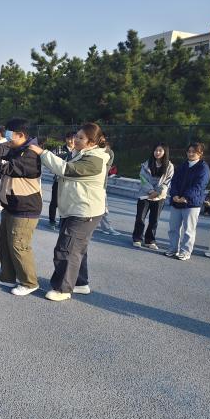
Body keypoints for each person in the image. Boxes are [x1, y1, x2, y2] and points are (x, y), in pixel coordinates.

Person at [29, 123, 110, 301]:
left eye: (81, 138)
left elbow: (67, 170)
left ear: (92, 142)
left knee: (66, 249)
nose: (76, 140)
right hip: (75, 209)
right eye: (76, 136)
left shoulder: (95, 159)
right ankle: (80, 283)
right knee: (77, 248)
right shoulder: (82, 153)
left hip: (85, 211)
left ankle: (63, 289)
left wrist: (43, 153)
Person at [0, 118, 42, 296]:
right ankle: (7, 276)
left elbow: (7, 167)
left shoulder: (30, 153)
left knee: (19, 245)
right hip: (11, 205)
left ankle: (29, 282)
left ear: (21, 135)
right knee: (5, 243)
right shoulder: (16, 149)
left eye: (10, 134)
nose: (8, 137)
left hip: (25, 207)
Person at [165, 142, 210, 261]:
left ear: (200, 153)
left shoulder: (203, 168)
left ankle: (185, 252)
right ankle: (173, 249)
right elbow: (174, 181)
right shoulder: (183, 165)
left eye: (194, 152)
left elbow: (199, 185)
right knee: (173, 228)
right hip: (176, 201)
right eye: (189, 151)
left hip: (191, 204)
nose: (190, 154)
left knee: (189, 230)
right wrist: (174, 194)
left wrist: (185, 197)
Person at [132, 143, 174, 249]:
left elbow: (167, 181)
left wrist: (157, 192)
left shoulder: (169, 166)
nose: (157, 152)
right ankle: (137, 239)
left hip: (159, 197)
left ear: (165, 152)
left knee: (154, 220)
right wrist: (151, 191)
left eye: (160, 150)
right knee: (140, 218)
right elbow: (143, 179)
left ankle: (150, 241)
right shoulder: (146, 164)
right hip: (145, 195)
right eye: (156, 150)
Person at [49, 132, 75, 229]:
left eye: (73, 139)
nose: (71, 141)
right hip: (58, 180)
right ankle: (52, 221)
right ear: (66, 139)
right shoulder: (59, 149)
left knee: (66, 203)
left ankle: (62, 221)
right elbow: (51, 161)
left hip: (70, 182)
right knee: (54, 202)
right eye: (69, 138)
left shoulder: (78, 150)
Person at [96, 145, 121, 235]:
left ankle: (106, 227)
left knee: (103, 207)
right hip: (92, 185)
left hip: (100, 186)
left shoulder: (108, 153)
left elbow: (107, 167)